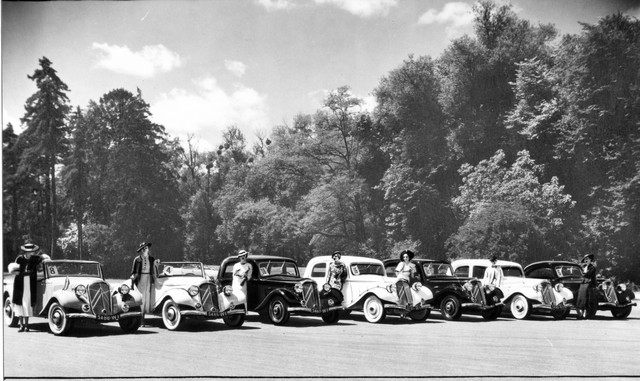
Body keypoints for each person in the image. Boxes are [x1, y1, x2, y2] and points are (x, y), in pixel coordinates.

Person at [10, 243, 45, 332]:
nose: (32, 253)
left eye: (33, 251)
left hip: (30, 283)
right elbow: (13, 269)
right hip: (20, 283)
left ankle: (26, 326)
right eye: (30, 251)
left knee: (27, 304)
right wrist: (15, 271)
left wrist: (44, 258)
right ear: (25, 251)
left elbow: (44, 259)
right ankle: (21, 325)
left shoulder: (35, 259)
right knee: (20, 304)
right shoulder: (20, 259)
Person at [130, 242, 158, 326]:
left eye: (146, 248)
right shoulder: (137, 259)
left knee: (147, 298)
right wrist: (132, 280)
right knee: (141, 298)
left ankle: (144, 318)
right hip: (140, 279)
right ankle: (140, 319)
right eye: (143, 248)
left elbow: (154, 269)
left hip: (148, 279)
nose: (145, 250)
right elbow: (134, 272)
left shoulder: (151, 259)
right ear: (141, 250)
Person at [576, 254, 597, 319]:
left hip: (590, 285)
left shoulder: (592, 267)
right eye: (585, 259)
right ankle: (581, 313)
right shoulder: (584, 267)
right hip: (584, 284)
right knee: (582, 299)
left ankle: (589, 315)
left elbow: (588, 274)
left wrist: (582, 275)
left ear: (590, 260)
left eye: (587, 259)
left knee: (589, 300)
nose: (586, 260)